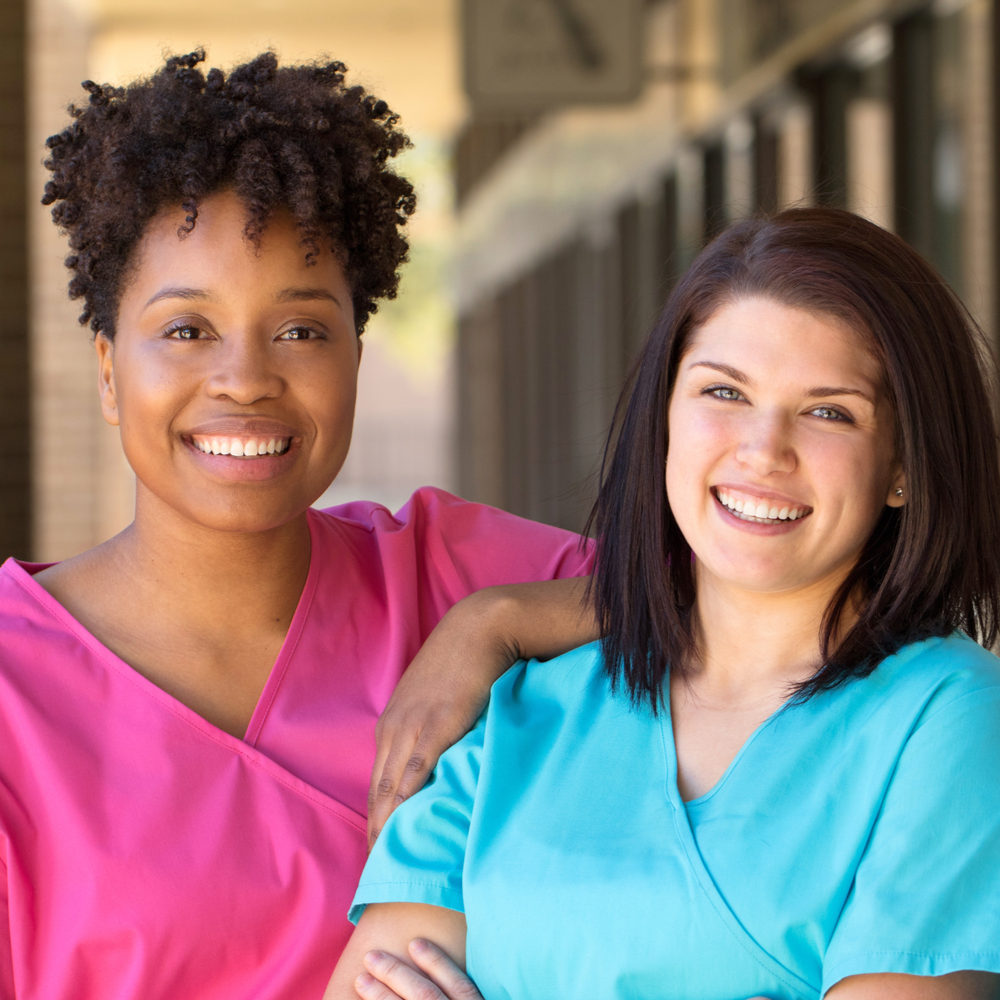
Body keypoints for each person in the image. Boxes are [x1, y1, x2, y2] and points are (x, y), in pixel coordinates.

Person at [0, 51, 595, 998]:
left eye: (302, 330)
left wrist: (493, 624)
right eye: (187, 329)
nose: (245, 378)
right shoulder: (14, 696)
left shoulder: (454, 576)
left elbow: (772, 599)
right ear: (110, 373)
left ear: (355, 357)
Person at [328, 209, 1000, 1000]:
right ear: (665, 420)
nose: (762, 449)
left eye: (829, 411)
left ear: (904, 468)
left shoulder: (948, 718)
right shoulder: (519, 717)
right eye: (724, 391)